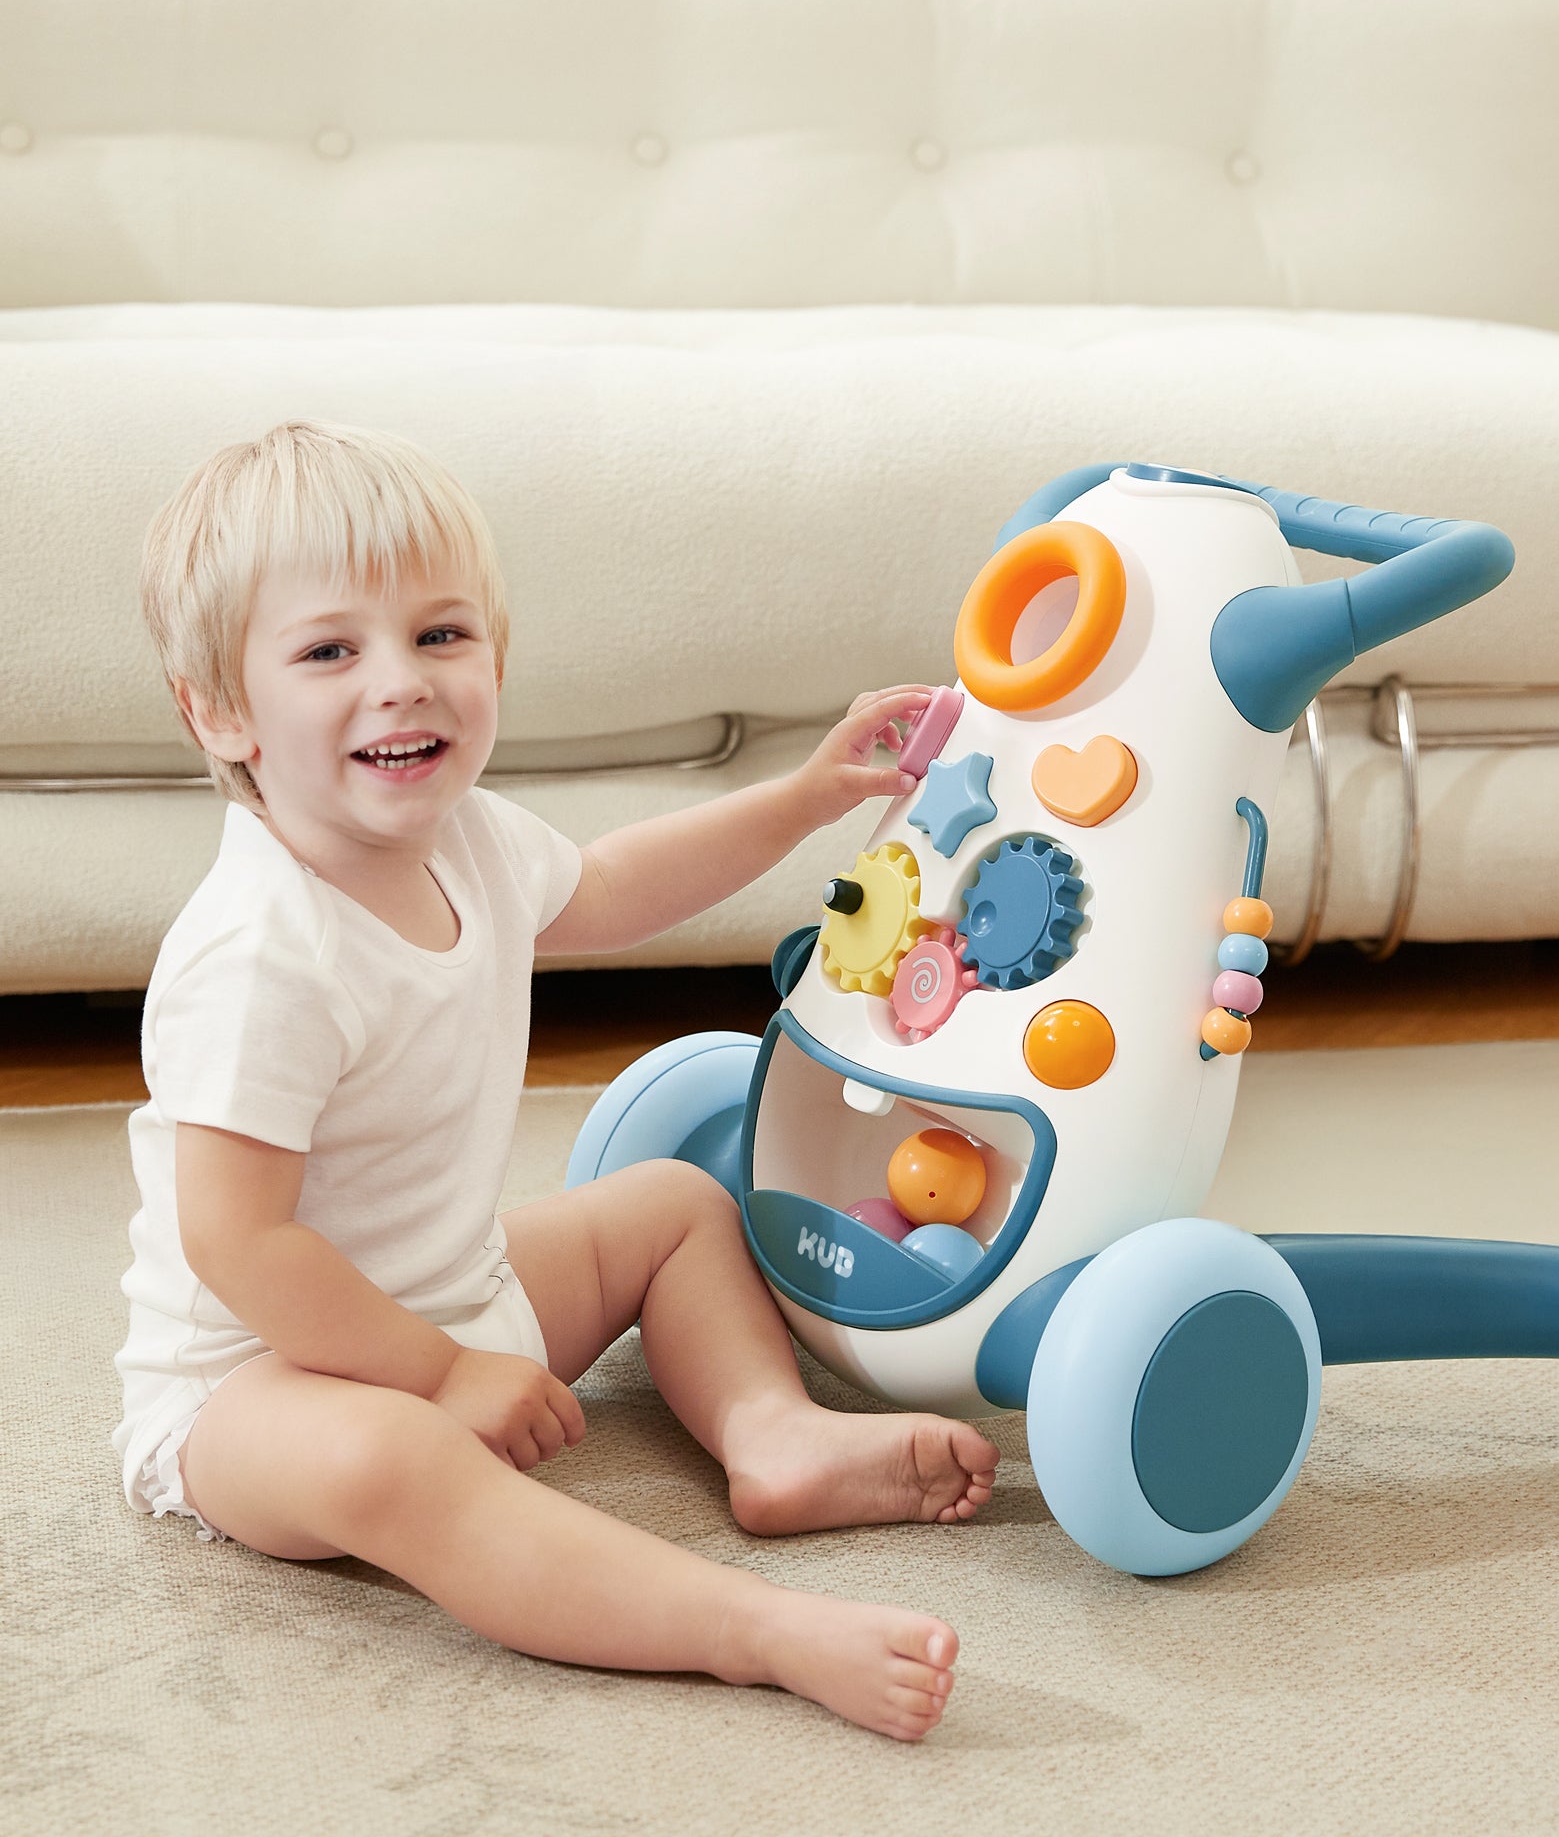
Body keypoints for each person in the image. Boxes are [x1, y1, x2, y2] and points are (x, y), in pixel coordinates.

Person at [116, 419, 996, 1742]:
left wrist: (806, 799)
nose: (401, 682)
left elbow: (620, 886)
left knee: (673, 1212)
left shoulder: (468, 840)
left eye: (442, 636)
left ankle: (770, 1435)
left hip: (461, 1298)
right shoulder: (257, 955)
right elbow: (238, 1243)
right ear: (220, 711)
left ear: (496, 658)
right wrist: (432, 1377)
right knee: (391, 1462)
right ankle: (746, 1630)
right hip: (259, 1385)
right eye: (329, 651)